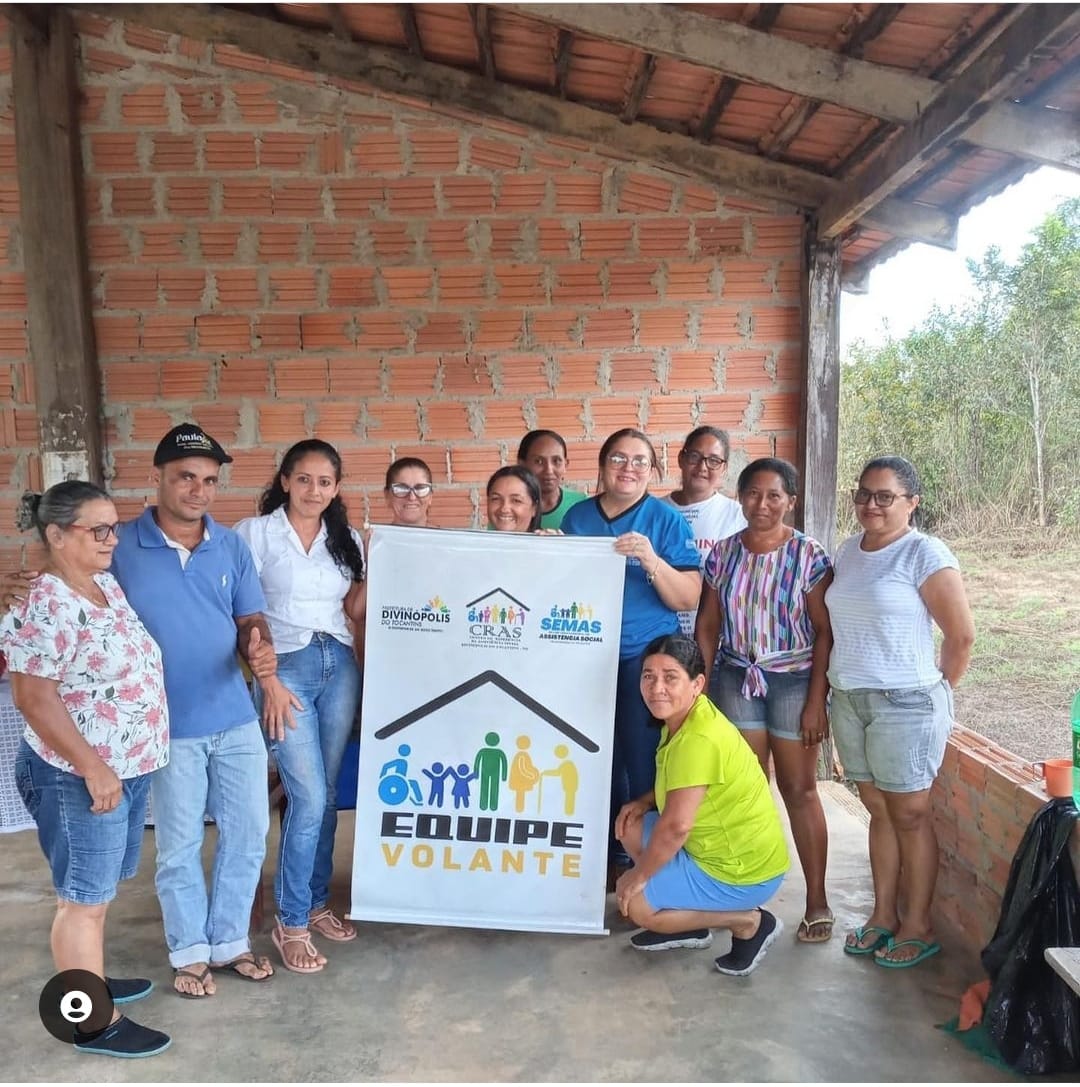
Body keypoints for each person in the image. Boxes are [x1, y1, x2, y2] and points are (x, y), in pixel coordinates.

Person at [111, 424, 288, 997]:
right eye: (186, 476)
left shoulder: (229, 546)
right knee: (180, 844)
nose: (198, 490)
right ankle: (189, 951)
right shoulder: (120, 547)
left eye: (209, 480)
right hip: (168, 726)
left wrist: (258, 644)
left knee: (248, 835)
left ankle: (230, 940)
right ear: (157, 477)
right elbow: (75, 592)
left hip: (234, 717)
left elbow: (248, 620)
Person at [0, 482, 171, 1057]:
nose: (111, 539)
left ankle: (88, 978)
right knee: (82, 899)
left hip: (117, 770)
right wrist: (94, 768)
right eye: (97, 530)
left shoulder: (102, 585)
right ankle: (92, 1020)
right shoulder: (42, 602)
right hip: (77, 775)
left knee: (95, 891)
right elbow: (34, 698)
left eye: (113, 528)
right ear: (55, 535)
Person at [826, 456, 975, 968]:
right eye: (864, 494)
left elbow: (961, 637)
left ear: (912, 502)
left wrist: (935, 695)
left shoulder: (924, 553)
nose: (871, 505)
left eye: (885, 497)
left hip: (905, 703)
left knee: (909, 815)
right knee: (879, 811)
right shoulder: (848, 551)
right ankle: (882, 915)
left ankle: (918, 924)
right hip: (849, 699)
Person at [234, 439, 365, 974]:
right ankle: (290, 923)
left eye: (326, 482)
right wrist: (264, 676)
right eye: (304, 479)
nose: (315, 490)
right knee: (307, 796)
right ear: (285, 480)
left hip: (339, 665)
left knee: (326, 794)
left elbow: (352, 608)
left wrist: (377, 566)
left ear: (336, 488)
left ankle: (313, 903)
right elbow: (244, 610)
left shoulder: (346, 538)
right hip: (283, 668)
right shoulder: (256, 533)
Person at [695, 457, 834, 943]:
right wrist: (699, 689)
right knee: (746, 790)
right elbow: (708, 627)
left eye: (775, 495)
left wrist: (817, 699)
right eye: (753, 493)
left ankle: (816, 899)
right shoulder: (722, 555)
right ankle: (743, 898)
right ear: (740, 496)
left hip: (794, 681)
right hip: (735, 678)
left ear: (791, 502)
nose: (762, 504)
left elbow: (824, 632)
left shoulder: (809, 556)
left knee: (799, 790)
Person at [561, 428, 701, 875]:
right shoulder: (579, 518)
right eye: (619, 459)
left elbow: (688, 598)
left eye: (641, 461)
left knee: (644, 762)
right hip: (583, 656)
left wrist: (653, 561)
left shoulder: (664, 520)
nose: (629, 468)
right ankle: (600, 857)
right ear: (602, 466)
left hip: (644, 658)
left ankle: (653, 869)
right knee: (589, 758)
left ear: (654, 470)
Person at [614, 635, 789, 977]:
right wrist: (644, 801)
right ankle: (689, 924)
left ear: (697, 684)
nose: (656, 687)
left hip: (743, 873)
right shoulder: (687, 717)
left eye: (670, 677)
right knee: (630, 824)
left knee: (637, 905)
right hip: (713, 852)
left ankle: (750, 921)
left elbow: (676, 827)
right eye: (648, 676)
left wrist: (638, 876)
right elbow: (684, 785)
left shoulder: (698, 737)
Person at [662, 426, 746, 637]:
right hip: (661, 632)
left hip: (717, 634)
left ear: (724, 468)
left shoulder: (737, 516)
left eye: (714, 460)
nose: (702, 467)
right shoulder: (655, 511)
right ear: (681, 459)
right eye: (694, 456)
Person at [517, 430, 586, 529]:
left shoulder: (582, 506)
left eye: (556, 461)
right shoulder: (508, 510)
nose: (548, 470)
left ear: (565, 465)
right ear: (522, 465)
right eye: (538, 461)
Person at [381, 457, 436, 528]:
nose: (412, 497)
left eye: (420, 488)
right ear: (387, 496)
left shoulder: (447, 539)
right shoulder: (376, 538)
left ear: (430, 496)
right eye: (402, 489)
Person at [486, 466, 543, 533]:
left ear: (534, 508)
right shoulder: (478, 542)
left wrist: (554, 541)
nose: (504, 509)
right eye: (496, 499)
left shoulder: (546, 542)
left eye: (516, 501)